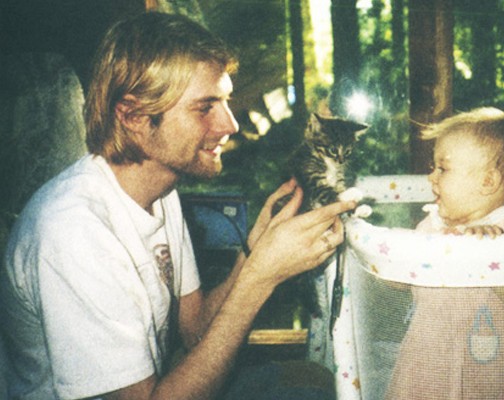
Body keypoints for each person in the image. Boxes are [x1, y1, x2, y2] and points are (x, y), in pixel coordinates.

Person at [0, 12, 356, 400]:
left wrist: (253, 252)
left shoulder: (161, 191)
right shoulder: (73, 231)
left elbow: (195, 330)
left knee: (320, 385)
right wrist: (260, 279)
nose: (230, 125)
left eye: (226, 101)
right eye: (205, 107)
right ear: (134, 116)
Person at [385, 107, 504, 399]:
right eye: (433, 167)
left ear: (487, 181)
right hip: (430, 360)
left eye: (442, 168)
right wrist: (391, 254)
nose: (431, 177)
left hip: (490, 371)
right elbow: (402, 281)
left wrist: (490, 253)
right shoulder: (434, 222)